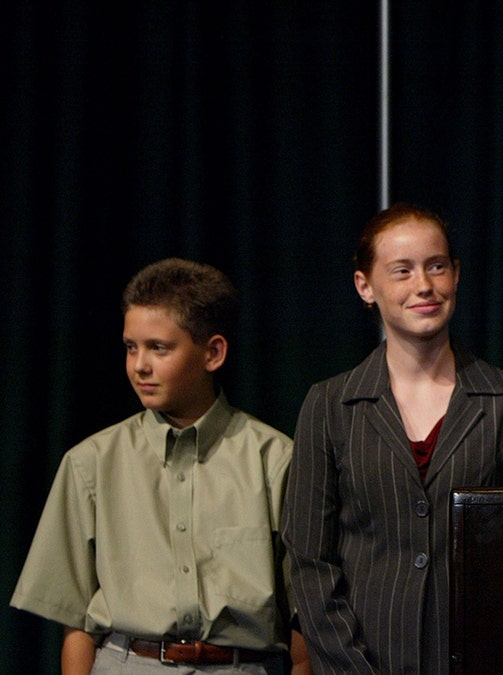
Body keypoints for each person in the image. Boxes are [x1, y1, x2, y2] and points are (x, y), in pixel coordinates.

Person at [10, 258, 306, 674]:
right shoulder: (91, 463)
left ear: (213, 353)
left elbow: (303, 622)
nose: (139, 366)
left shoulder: (274, 460)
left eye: (159, 348)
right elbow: (75, 622)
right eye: (131, 347)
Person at [282, 203, 503, 674]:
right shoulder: (329, 405)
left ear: (456, 275)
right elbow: (309, 559)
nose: (424, 285)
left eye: (436, 266)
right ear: (365, 286)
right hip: (362, 659)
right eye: (402, 271)